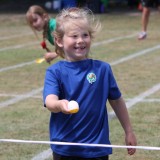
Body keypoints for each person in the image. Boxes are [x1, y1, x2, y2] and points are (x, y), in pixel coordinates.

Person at [43, 7, 137, 160]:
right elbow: (50, 100)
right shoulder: (55, 72)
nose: (80, 40)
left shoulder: (103, 69)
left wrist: (128, 131)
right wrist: (60, 105)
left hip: (97, 149)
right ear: (59, 41)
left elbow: (117, 100)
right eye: (74, 36)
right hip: (65, 148)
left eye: (85, 35)